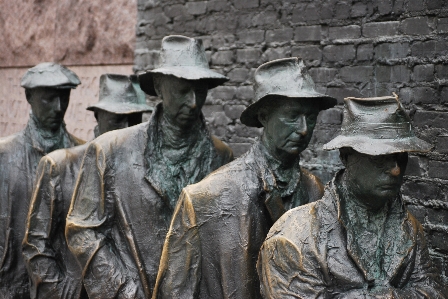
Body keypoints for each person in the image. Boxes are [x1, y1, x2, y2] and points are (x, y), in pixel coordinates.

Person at [65, 35, 233, 299]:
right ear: (158, 85)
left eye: (200, 90)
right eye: (182, 90)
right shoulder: (109, 150)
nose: (193, 102)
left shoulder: (221, 156)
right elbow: (82, 231)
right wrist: (123, 290)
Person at [154, 57, 337, 299]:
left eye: (311, 117)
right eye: (292, 115)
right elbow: (174, 291)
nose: (304, 129)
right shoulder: (206, 197)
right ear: (263, 116)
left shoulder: (315, 190)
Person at [257, 95, 448, 298]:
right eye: (380, 157)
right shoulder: (295, 237)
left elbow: (433, 290)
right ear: (346, 156)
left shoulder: (409, 227)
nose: (395, 170)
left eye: (401, 156)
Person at [22, 74, 152, 299]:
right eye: (117, 119)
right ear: (98, 117)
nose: (126, 128)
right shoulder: (60, 166)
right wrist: (58, 291)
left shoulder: (144, 171)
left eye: (134, 119)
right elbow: (36, 244)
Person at [0, 62, 84, 299]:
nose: (58, 108)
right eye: (49, 99)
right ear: (29, 96)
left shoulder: (83, 155)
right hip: (11, 287)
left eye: (64, 98)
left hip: (64, 291)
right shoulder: (3, 156)